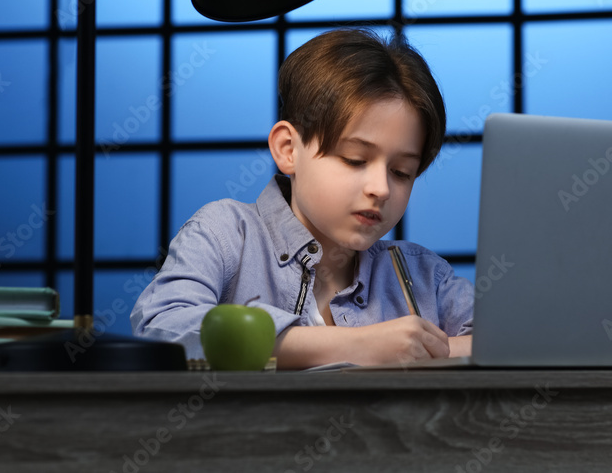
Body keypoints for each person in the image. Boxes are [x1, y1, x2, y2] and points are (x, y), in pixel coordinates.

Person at [131, 28, 473, 368]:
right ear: (288, 149)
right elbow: (162, 327)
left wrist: (418, 350)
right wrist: (357, 346)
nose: (381, 189)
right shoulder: (226, 234)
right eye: (355, 160)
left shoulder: (425, 275)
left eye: (402, 172)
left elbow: (513, 341)